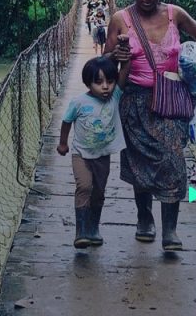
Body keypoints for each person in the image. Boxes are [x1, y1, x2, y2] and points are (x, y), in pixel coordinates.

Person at [105, 0, 196, 251]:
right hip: (134, 101)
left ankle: (170, 231)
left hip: (172, 99)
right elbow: (104, 61)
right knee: (140, 164)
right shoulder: (120, 19)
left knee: (174, 160)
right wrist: (115, 55)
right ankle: (144, 218)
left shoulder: (174, 14)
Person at [57, 56, 129, 248]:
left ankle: (93, 228)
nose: (105, 87)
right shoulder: (78, 102)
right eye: (98, 82)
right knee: (85, 187)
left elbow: (124, 72)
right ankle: (80, 231)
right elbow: (66, 122)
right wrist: (63, 143)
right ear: (88, 83)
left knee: (98, 193)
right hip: (81, 154)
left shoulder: (115, 96)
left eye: (110, 82)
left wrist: (126, 53)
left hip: (103, 156)